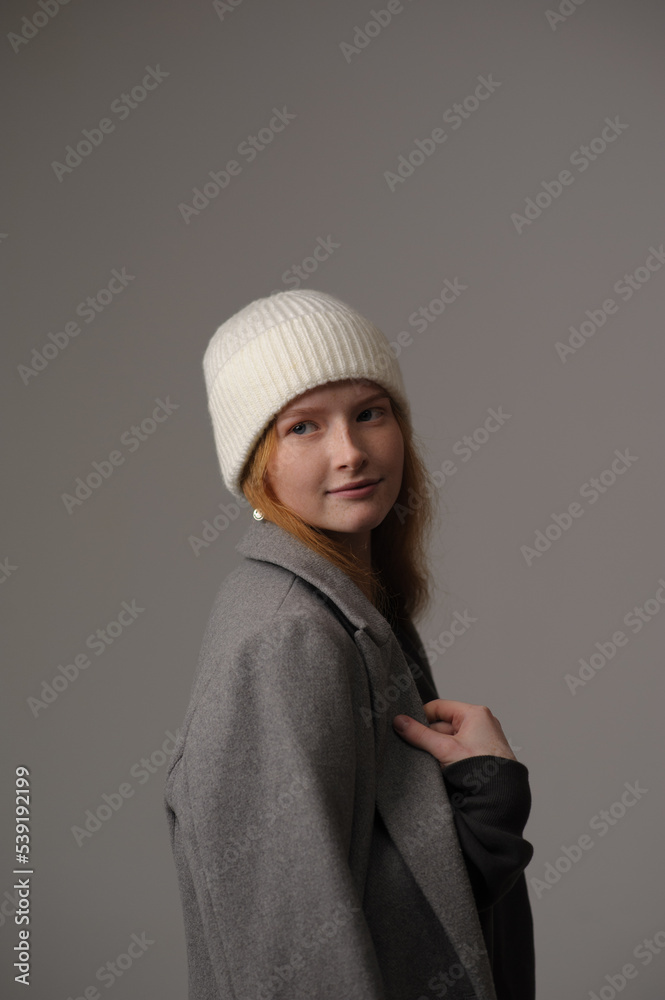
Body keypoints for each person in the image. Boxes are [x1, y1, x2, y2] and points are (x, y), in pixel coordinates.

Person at [163, 289, 535, 1000]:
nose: (351, 453)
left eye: (370, 412)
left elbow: (384, 899)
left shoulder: (352, 604)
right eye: (303, 427)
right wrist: (489, 802)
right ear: (255, 463)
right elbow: (292, 956)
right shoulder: (285, 637)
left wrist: (481, 795)